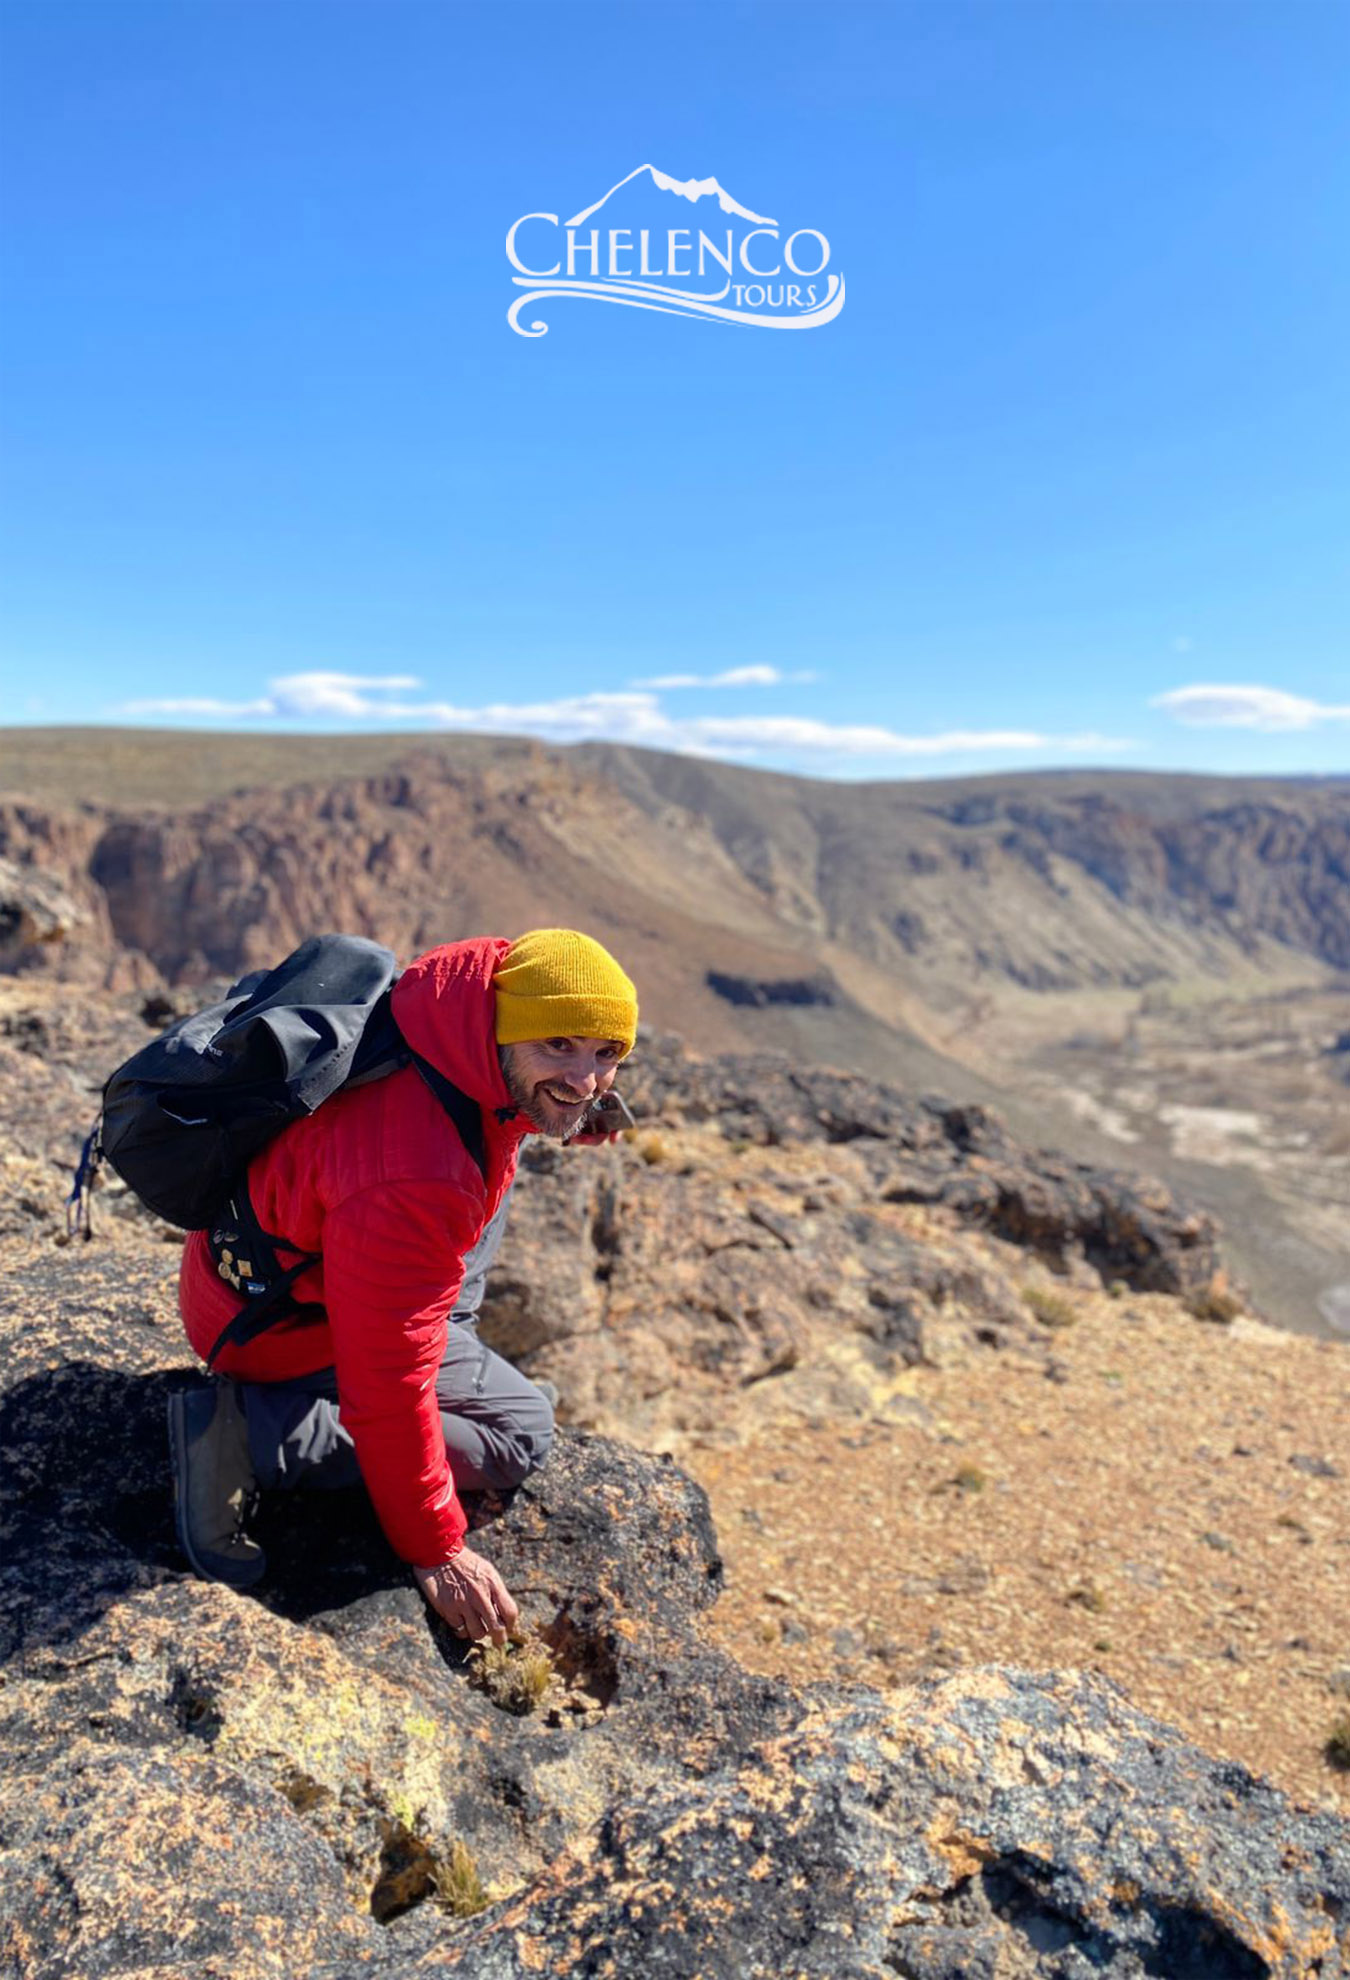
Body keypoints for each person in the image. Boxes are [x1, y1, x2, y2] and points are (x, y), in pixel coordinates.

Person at [167, 928, 637, 1646]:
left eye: (606, 1055)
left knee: (481, 1179)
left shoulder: (450, 1009)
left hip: (258, 1261)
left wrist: (563, 1104)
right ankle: (252, 1435)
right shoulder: (415, 1176)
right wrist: (437, 1548)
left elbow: (521, 1086)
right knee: (519, 1434)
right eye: (560, 1047)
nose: (586, 1078)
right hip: (271, 1328)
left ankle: (439, 1345)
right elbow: (386, 1385)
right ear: (508, 1030)